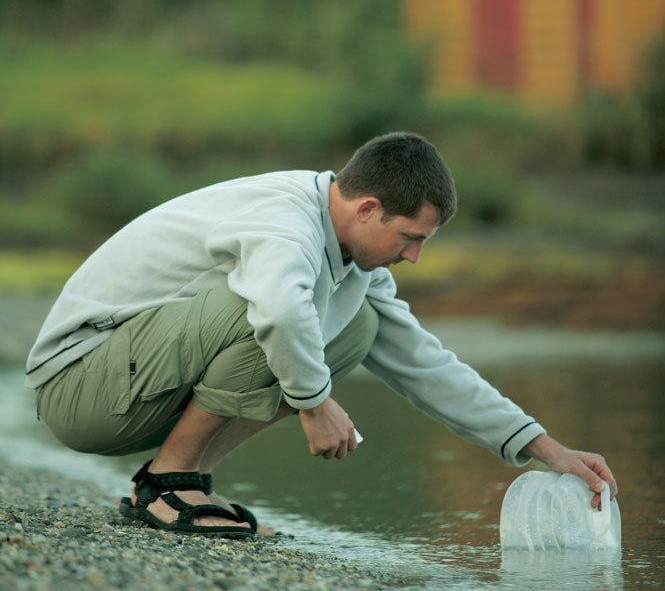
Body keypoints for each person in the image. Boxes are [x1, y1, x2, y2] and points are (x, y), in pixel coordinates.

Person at [26, 132, 617, 538]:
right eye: (411, 238)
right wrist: (314, 404)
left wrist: (545, 450)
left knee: (358, 327)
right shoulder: (285, 224)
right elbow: (279, 311)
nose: (413, 257)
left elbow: (427, 365)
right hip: (81, 387)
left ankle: (177, 481)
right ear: (367, 209)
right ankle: (170, 484)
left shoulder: (350, 261)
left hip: (134, 384)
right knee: (271, 306)